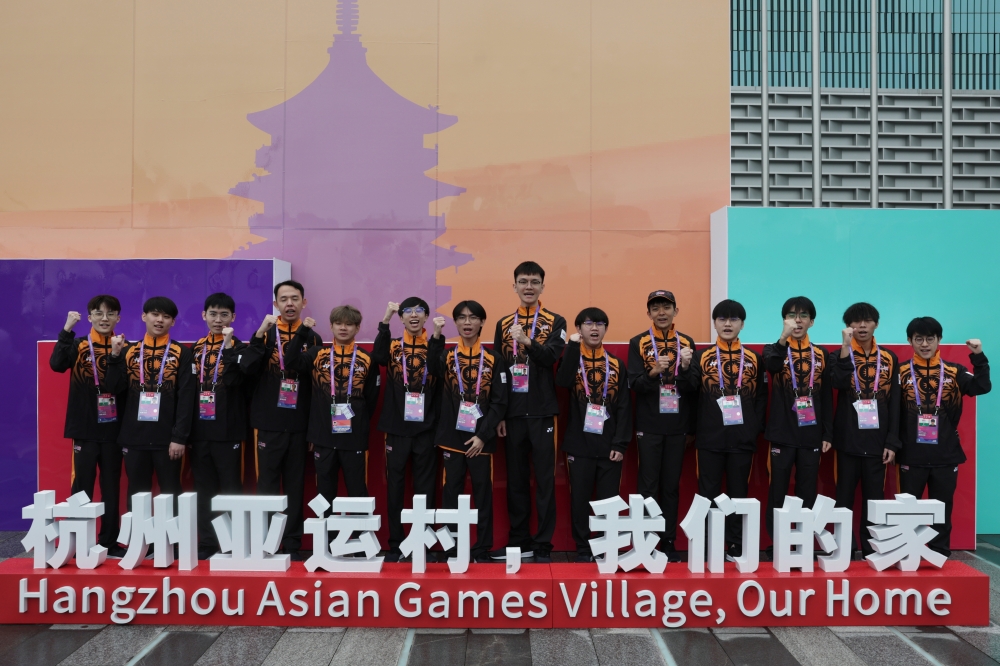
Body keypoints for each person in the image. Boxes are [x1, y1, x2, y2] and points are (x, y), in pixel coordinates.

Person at [239, 280, 323, 560]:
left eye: (295, 298)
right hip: (268, 423)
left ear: (303, 302)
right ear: (275, 304)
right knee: (267, 486)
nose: (289, 304)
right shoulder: (265, 334)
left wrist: (312, 429)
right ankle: (266, 543)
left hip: (299, 425)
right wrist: (258, 336)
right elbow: (247, 369)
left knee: (296, 486)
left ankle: (293, 543)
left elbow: (317, 388)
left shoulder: (313, 338)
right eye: (284, 299)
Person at [491, 261, 567, 563]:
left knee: (545, 481)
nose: (529, 287)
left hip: (542, 413)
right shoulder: (503, 324)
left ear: (542, 287)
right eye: (523, 281)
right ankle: (519, 541)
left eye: (535, 282)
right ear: (514, 286)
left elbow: (551, 357)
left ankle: (543, 544)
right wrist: (499, 414)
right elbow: (498, 371)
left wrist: (527, 341)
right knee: (516, 481)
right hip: (512, 415)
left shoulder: (556, 321)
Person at [680, 299, 767, 561]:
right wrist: (684, 367)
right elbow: (690, 391)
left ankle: (736, 545)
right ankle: (709, 544)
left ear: (742, 324)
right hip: (710, 438)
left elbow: (761, 398)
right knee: (708, 494)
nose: (728, 324)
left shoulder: (754, 358)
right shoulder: (701, 356)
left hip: (742, 439)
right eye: (722, 319)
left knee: (739, 494)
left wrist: (753, 428)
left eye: (734, 319)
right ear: (715, 323)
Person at [897, 317, 990, 556]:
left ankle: (939, 553)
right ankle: (907, 553)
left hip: (945, 455)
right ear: (910, 341)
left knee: (942, 508)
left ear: (939, 340)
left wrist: (978, 356)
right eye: (919, 339)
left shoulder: (954, 371)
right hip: (911, 454)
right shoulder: (901, 372)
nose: (924, 344)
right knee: (908, 509)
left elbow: (982, 386)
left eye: (930, 339)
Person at [429, 301, 509, 563]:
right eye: (461, 318)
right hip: (452, 439)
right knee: (450, 496)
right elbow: (431, 368)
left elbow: (500, 402)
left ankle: (481, 548)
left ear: (482, 322)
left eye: (473, 317)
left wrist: (483, 436)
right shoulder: (446, 356)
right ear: (455, 323)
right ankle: (451, 550)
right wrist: (437, 336)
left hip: (480, 441)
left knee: (483, 495)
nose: (467, 322)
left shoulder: (495, 359)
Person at [49, 295, 127, 557]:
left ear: (118, 318)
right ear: (90, 316)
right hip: (84, 429)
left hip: (114, 430)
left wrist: (116, 353)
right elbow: (56, 365)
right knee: (81, 487)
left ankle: (109, 542)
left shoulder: (125, 347)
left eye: (110, 313)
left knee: (111, 488)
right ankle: (77, 542)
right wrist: (66, 330)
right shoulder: (79, 344)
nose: (105, 318)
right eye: (99, 313)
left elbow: (120, 387)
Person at [284, 305, 380, 507]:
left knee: (357, 492)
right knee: (324, 494)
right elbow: (290, 361)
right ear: (331, 326)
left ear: (357, 328)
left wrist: (358, 422)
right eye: (338, 323)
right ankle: (325, 529)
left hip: (354, 439)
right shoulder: (317, 353)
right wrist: (302, 331)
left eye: (349, 324)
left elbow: (370, 399)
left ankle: (360, 528)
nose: (343, 328)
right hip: (323, 438)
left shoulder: (367, 359)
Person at [557, 308, 632, 563]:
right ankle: (582, 548)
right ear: (579, 329)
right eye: (588, 323)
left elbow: (624, 406)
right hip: (579, 445)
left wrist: (620, 444)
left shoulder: (616, 364)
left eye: (600, 323)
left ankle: (605, 546)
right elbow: (562, 381)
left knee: (608, 502)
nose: (594, 328)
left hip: (610, 446)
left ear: (605, 329)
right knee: (579, 499)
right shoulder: (572, 359)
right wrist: (571, 347)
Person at [627, 290, 696, 563]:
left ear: (675, 311)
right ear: (649, 314)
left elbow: (693, 388)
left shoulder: (686, 342)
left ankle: (667, 541)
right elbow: (634, 384)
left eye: (666, 307)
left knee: (670, 487)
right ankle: (646, 542)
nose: (661, 313)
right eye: (655, 308)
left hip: (677, 426)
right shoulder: (639, 342)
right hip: (649, 426)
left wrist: (687, 367)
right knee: (647, 486)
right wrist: (654, 371)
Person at [105, 296, 196, 507]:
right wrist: (115, 356)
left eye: (166, 316)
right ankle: (139, 532)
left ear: (173, 322)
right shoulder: (128, 351)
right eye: (155, 314)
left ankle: (173, 532)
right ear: (144, 316)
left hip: (168, 441)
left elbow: (186, 398)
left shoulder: (182, 353)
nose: (160, 320)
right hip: (134, 438)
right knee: (137, 497)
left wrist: (179, 438)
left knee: (171, 495)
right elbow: (113, 388)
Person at [373, 297, 445, 562]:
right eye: (408, 311)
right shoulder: (393, 346)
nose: (414, 315)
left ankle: (421, 544)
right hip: (396, 428)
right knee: (395, 488)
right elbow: (378, 357)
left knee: (425, 490)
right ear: (401, 318)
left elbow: (437, 367)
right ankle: (396, 544)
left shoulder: (434, 344)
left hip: (426, 429)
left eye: (419, 311)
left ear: (426, 317)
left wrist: (436, 337)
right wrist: (385, 319)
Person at [761, 296, 833, 560]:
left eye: (803, 315)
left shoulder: (821, 354)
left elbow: (826, 397)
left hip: (811, 435)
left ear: (812, 321)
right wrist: (783, 338)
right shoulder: (773, 350)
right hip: (781, 434)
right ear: (784, 320)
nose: (798, 320)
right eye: (792, 315)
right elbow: (771, 366)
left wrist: (827, 432)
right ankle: (778, 544)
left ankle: (802, 544)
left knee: (807, 493)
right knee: (777, 493)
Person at [830, 302, 900, 558]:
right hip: (847, 441)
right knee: (843, 499)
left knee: (874, 500)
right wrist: (845, 348)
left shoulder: (889, 358)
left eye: (867, 321)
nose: (861, 326)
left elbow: (895, 403)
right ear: (848, 326)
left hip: (877, 444)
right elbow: (837, 383)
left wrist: (892, 441)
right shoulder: (838, 355)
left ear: (876, 324)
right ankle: (844, 550)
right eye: (856, 322)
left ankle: (872, 549)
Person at [189, 293, 247, 560]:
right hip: (200, 431)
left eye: (224, 315)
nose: (218, 319)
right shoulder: (195, 349)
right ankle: (208, 541)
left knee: (230, 489)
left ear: (233, 318)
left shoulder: (241, 349)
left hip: (229, 430)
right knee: (204, 490)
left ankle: (232, 542)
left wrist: (229, 348)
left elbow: (239, 383)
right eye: (213, 314)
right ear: (204, 315)